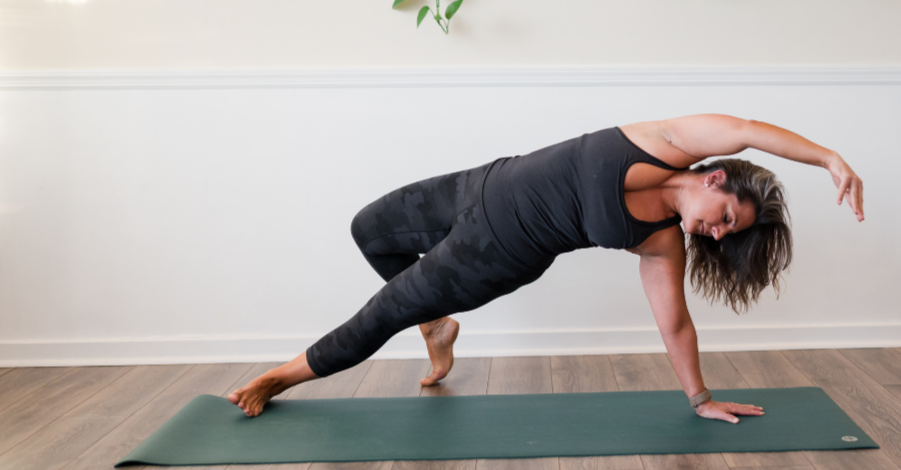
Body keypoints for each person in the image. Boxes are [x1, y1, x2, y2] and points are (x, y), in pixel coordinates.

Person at [228, 114, 864, 421]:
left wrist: (699, 398)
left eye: (728, 235)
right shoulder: (665, 142)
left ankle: (280, 378)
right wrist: (828, 156)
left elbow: (675, 325)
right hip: (478, 183)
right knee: (368, 229)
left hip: (495, 255)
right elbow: (749, 129)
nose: (717, 232)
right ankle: (437, 326)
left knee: (382, 313)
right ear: (715, 176)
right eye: (727, 216)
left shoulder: (660, 241)